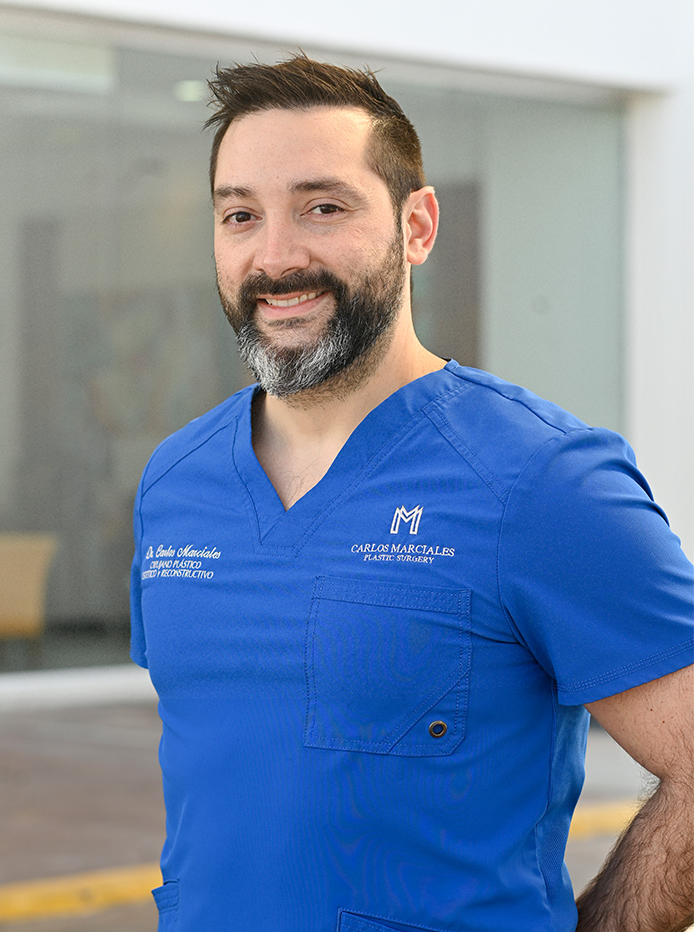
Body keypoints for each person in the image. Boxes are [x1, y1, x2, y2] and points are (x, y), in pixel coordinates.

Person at [130, 55, 694, 932]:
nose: (276, 256)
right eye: (241, 214)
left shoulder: (541, 481)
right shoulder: (176, 482)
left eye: (324, 207)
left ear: (416, 225)